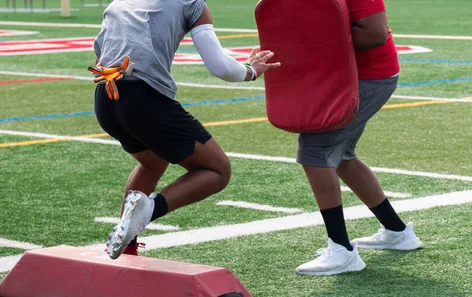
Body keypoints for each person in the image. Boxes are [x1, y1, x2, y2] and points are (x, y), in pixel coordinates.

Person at [91, 0, 281, 260]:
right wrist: (250, 71)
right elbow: (220, 67)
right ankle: (147, 211)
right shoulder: (192, 3)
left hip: (105, 97)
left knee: (153, 163)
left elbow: (99, 55)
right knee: (217, 170)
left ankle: (126, 243)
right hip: (143, 98)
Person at [294, 0, 423, 276]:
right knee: (342, 156)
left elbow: (374, 33)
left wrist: (314, 42)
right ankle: (397, 232)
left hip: (369, 77)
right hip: (352, 76)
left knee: (315, 149)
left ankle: (341, 251)